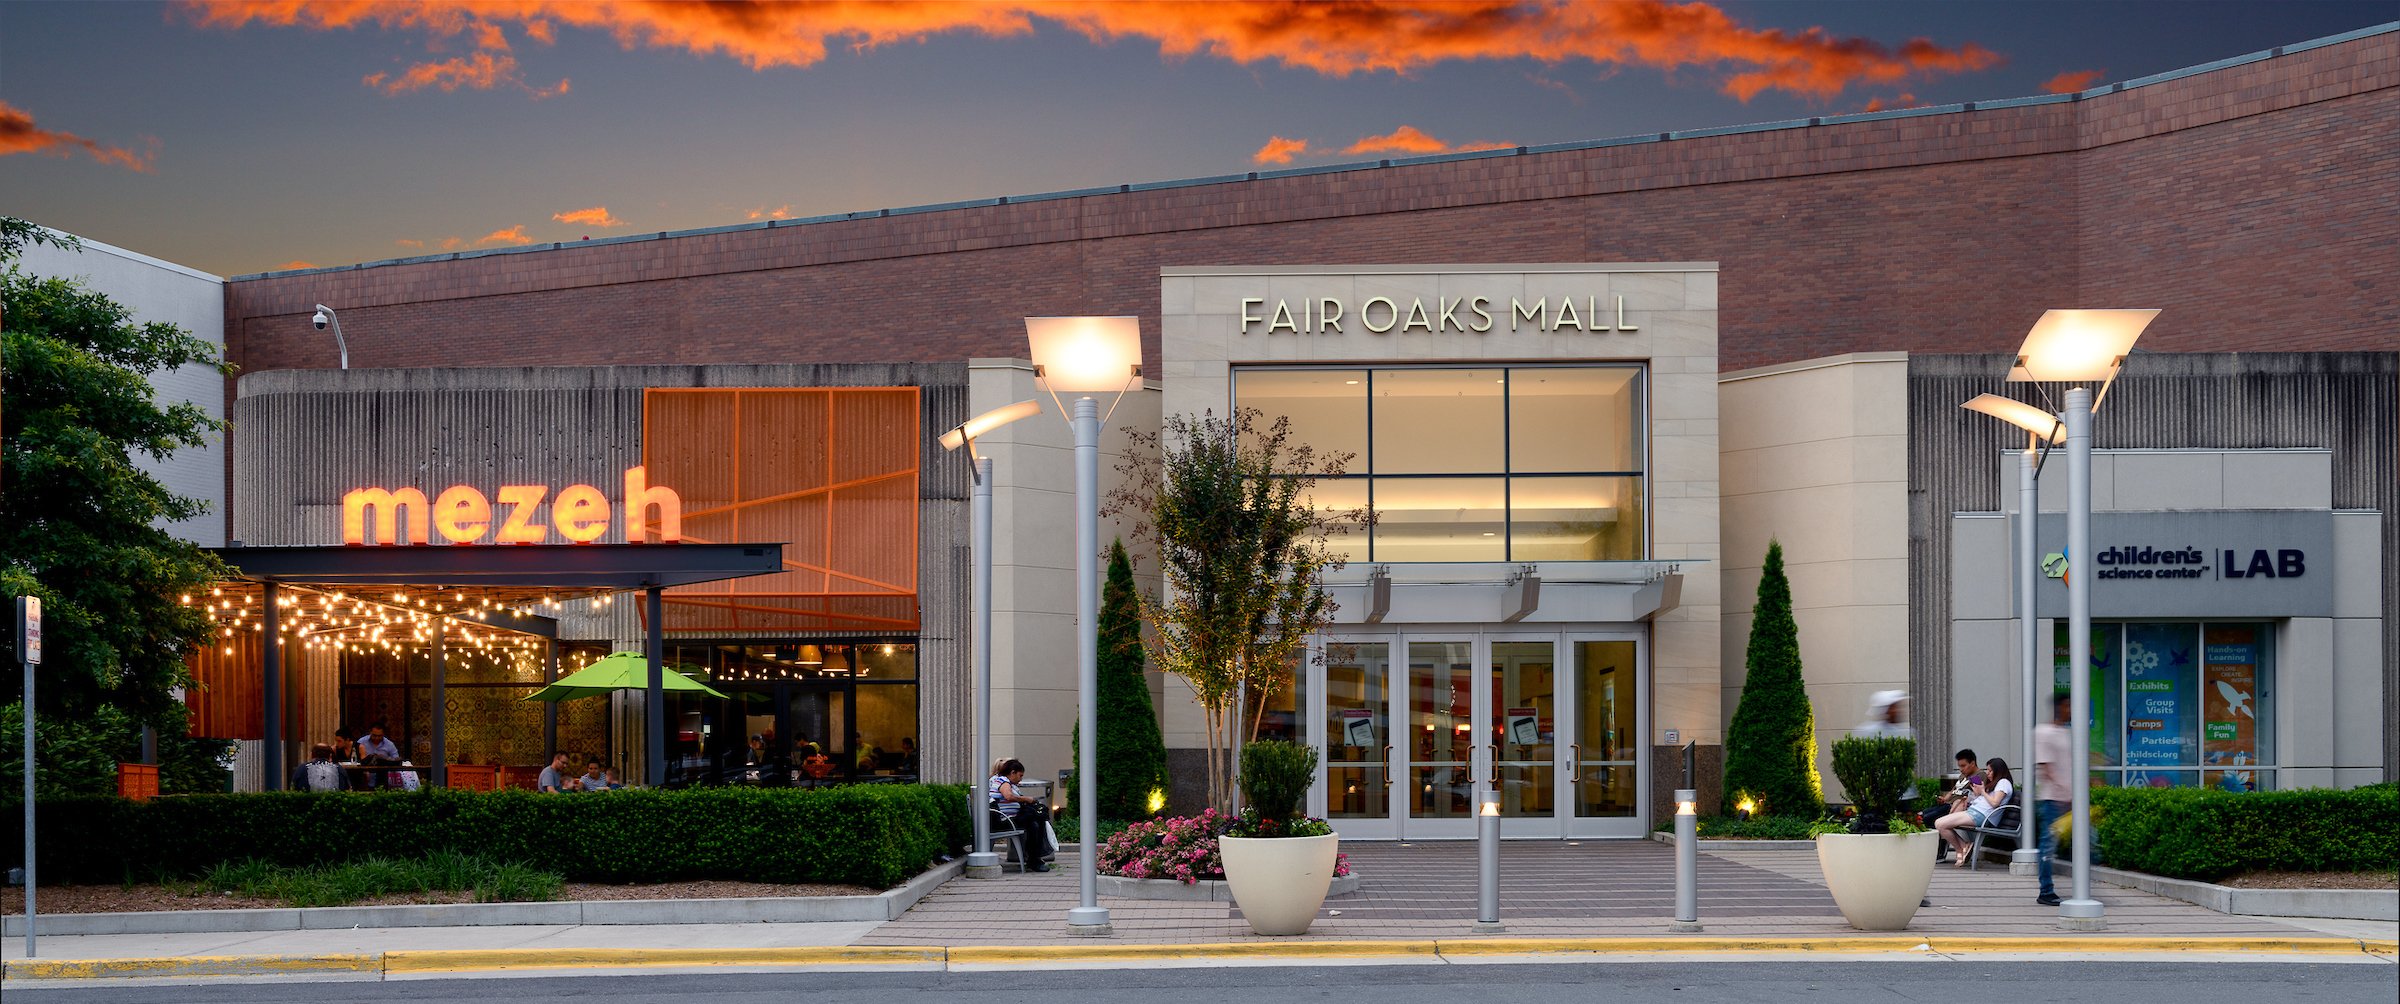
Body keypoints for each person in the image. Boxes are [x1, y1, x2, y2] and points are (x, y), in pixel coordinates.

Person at [1935, 757, 2014, 867]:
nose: (1988, 773)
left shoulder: (2003, 782)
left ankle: (1962, 848)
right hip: (1975, 812)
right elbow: (1987, 800)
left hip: (1981, 815)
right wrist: (1979, 792)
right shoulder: (1996, 784)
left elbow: (1995, 803)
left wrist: (1982, 791)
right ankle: (1964, 847)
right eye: (1987, 770)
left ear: (1999, 771)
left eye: (1990, 771)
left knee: (1940, 824)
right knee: (1940, 824)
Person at [2033, 692, 2072, 906]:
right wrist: (2062, 790)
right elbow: (2045, 767)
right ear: (2060, 707)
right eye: (2068, 706)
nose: (2071, 711)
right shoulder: (2043, 733)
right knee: (2048, 845)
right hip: (2052, 801)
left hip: (2070, 799)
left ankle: (2085, 888)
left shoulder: (2066, 733)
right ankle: (2046, 891)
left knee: (2088, 843)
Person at [988, 757, 1054, 871]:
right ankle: (1034, 859)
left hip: (1009, 819)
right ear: (1012, 773)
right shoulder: (1003, 781)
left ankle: (1035, 858)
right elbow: (1008, 796)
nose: (1021, 779)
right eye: (1020, 775)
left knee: (1036, 821)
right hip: (1005, 821)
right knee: (1034, 823)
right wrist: (1026, 799)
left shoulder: (1005, 781)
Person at [1925, 748, 1981, 861]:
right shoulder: (1963, 776)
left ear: (1973, 763)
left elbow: (1978, 795)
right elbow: (1953, 791)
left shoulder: (1977, 776)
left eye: (1963, 765)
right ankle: (1944, 848)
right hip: (1949, 806)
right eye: (1959, 766)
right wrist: (1944, 799)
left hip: (1958, 810)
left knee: (1927, 818)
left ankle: (1943, 849)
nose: (1961, 769)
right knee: (1923, 815)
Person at [357, 720, 401, 790]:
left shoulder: (389, 744)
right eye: (374, 735)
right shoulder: (361, 742)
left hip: (384, 780)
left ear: (383, 734)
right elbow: (355, 759)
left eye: (379, 736)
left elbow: (396, 759)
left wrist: (385, 759)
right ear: (370, 732)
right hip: (364, 779)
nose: (377, 738)